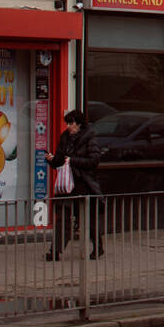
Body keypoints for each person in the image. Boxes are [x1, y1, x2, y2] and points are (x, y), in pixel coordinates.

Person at [46, 109, 104, 261]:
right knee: (63, 217)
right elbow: (60, 160)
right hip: (67, 185)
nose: (68, 126)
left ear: (79, 124)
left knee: (88, 219)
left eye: (71, 123)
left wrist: (73, 160)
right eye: (67, 123)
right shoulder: (64, 137)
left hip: (83, 184)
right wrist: (51, 160)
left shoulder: (89, 137)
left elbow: (94, 160)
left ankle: (98, 247)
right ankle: (55, 251)